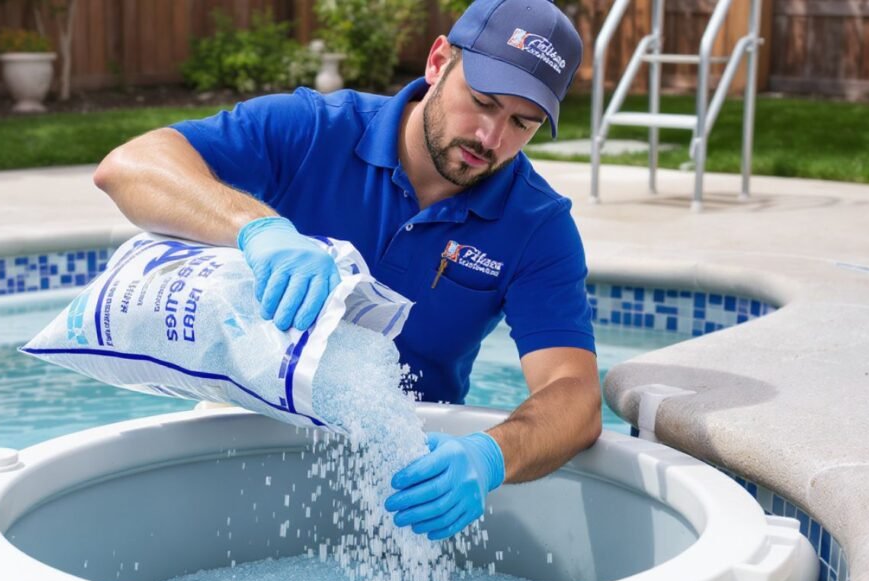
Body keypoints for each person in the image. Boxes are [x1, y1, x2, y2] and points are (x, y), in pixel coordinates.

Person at [93, 0, 601, 541]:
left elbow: (576, 393)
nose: (491, 138)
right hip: (248, 419)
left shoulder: (537, 225)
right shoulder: (316, 129)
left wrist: (490, 455)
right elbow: (129, 166)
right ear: (438, 63)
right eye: (481, 101)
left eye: (521, 123)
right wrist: (259, 229)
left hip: (407, 457)